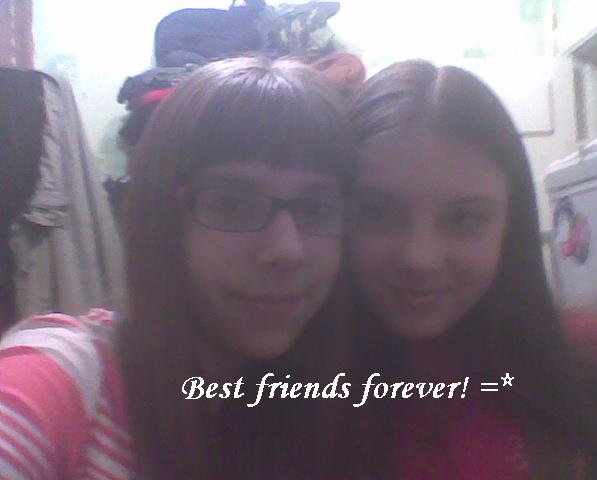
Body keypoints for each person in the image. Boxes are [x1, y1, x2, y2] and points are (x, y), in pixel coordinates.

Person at [0, 56, 356, 479]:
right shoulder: (65, 377)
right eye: (232, 203)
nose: (287, 250)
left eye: (316, 208)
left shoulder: (322, 400)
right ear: (160, 216)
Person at [343, 59, 597, 479]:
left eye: (463, 219)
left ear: (509, 227)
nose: (419, 258)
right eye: (378, 212)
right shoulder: (290, 399)